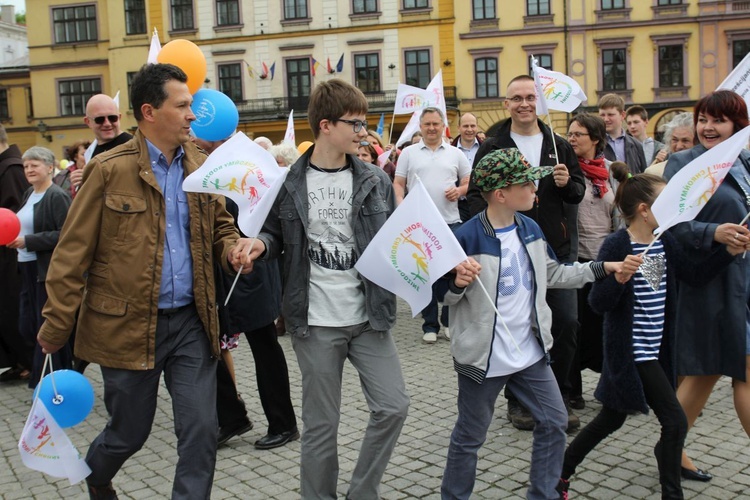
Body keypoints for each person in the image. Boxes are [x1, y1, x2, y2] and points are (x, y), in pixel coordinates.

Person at [36, 63, 254, 499]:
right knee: (128, 433)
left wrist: (234, 247)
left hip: (192, 323)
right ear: (150, 112)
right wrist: (55, 325)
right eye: (183, 105)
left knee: (200, 430)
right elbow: (71, 253)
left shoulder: (201, 165)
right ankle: (97, 475)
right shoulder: (108, 170)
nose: (193, 115)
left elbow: (221, 227)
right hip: (127, 327)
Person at [240, 79, 410, 499]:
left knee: (394, 406)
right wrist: (260, 245)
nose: (363, 132)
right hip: (315, 320)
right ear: (326, 125)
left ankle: (361, 492)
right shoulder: (288, 182)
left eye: (364, 123)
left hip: (370, 315)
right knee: (321, 427)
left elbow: (398, 238)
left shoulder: (374, 179)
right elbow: (272, 233)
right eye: (355, 123)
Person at [440, 148, 622, 500]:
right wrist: (456, 282)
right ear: (500, 194)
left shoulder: (531, 228)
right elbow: (443, 297)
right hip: (483, 360)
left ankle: (544, 493)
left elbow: (554, 273)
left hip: (530, 353)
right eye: (526, 183)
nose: (535, 189)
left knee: (555, 422)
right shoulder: (466, 237)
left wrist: (603, 268)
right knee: (470, 436)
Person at [559, 173, 745, 500]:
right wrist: (617, 279)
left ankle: (558, 473)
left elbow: (695, 274)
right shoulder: (618, 243)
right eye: (665, 202)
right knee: (674, 422)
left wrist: (727, 252)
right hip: (631, 354)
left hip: (656, 353)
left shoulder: (665, 240)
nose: (673, 208)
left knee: (610, 420)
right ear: (645, 210)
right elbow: (597, 303)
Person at [466, 74, 585, 431]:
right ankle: (519, 402)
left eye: (530, 97)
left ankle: (559, 396)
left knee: (566, 323)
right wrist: (491, 232)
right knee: (518, 326)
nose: (524, 104)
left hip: (555, 250)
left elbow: (578, 190)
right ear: (507, 104)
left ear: (539, 101)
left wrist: (567, 185)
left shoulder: (557, 142)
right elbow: (475, 195)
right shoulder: (494, 144)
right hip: (508, 252)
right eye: (516, 98)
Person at [664, 89, 750, 482]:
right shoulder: (684, 162)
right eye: (703, 119)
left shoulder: (746, 162)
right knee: (727, 370)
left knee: (709, 374)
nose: (708, 127)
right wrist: (714, 233)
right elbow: (669, 225)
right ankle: (670, 449)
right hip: (709, 284)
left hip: (743, 281)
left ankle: (670, 449)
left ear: (738, 125)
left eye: (718, 120)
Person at [216, 199, 299, 450]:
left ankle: (283, 423)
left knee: (265, 349)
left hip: (251, 271)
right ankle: (231, 416)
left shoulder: (251, 178)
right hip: (221, 275)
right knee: (205, 347)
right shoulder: (204, 174)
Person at [394, 107, 472, 344]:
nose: (431, 128)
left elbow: (469, 182)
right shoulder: (408, 153)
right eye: (427, 124)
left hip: (450, 222)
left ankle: (448, 322)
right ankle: (430, 325)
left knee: (451, 273)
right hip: (419, 224)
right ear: (421, 126)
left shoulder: (455, 153)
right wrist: (401, 207)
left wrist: (459, 191)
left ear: (443, 125)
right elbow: (398, 184)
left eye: (435, 124)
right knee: (424, 275)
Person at [566, 113, 623, 410]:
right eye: (570, 133)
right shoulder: (566, 172)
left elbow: (622, 214)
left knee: (607, 328)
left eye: (579, 134)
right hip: (577, 261)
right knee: (574, 327)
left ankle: (609, 387)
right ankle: (572, 390)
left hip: (609, 262)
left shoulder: (612, 171)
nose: (572, 138)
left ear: (596, 139)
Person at [6, 146, 72, 388]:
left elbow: (66, 234)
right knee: (27, 325)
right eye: (26, 166)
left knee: (45, 326)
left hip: (46, 271)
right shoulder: (28, 194)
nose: (29, 170)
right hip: (26, 269)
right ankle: (51, 373)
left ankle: (49, 379)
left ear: (49, 167)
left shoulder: (56, 196)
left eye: (34, 165)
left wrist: (28, 241)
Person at [0, 124, 31, 382]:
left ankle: (26, 361)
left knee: (11, 309)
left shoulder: (11, 169)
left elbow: (13, 212)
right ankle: (18, 360)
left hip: (11, 256)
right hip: (7, 255)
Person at [598, 93, 647, 174]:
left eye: (610, 115)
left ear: (623, 115)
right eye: (602, 115)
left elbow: (643, 175)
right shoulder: (595, 143)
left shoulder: (636, 145)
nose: (606, 119)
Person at [83, 94, 134, 164]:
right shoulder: (91, 151)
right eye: (100, 119)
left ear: (119, 117)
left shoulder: (132, 147)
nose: (107, 124)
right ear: (88, 122)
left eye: (112, 118)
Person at [452, 113, 483, 222]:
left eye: (472, 126)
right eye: (465, 126)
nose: (469, 129)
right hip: (459, 206)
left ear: (477, 127)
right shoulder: (450, 151)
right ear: (458, 128)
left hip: (482, 203)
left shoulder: (487, 149)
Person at [644, 112, 695, 178]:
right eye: (675, 140)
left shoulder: (708, 169)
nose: (679, 146)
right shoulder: (655, 173)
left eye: (685, 141)